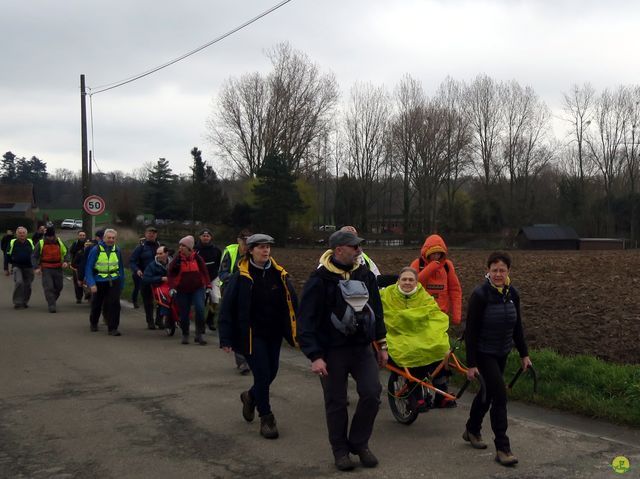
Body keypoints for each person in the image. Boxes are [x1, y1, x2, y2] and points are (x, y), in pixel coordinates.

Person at [297, 230, 388, 471]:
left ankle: (359, 443)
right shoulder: (319, 280)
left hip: (362, 348)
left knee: (372, 393)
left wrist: (382, 344)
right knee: (336, 402)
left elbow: (376, 310)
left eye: (359, 247)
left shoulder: (364, 274)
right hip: (332, 351)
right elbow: (306, 320)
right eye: (354, 247)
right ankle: (340, 451)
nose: (359, 251)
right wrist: (315, 356)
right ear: (339, 250)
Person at [218, 234, 298, 440]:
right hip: (252, 335)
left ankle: (250, 396)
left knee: (272, 372)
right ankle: (266, 418)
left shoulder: (279, 275)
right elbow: (227, 308)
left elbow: (292, 305)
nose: (265, 251)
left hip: (274, 332)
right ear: (251, 250)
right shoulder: (241, 277)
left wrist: (299, 329)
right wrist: (225, 337)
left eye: (268, 247)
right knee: (262, 374)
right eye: (261, 247)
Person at [463, 251, 532, 467]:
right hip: (484, 353)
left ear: (508, 271)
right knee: (500, 396)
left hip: (502, 351)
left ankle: (472, 429)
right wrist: (471, 364)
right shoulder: (480, 295)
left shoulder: (513, 294)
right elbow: (471, 332)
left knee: (488, 393)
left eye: (502, 270)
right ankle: (503, 448)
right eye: (494, 270)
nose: (498, 274)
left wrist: (524, 354)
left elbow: (517, 326)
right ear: (488, 271)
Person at [380, 267, 454, 410]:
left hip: (421, 332)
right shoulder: (386, 294)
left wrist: (410, 317)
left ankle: (441, 391)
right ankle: (416, 395)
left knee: (440, 346)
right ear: (398, 281)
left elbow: (433, 312)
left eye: (411, 280)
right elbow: (383, 314)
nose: (407, 283)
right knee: (411, 349)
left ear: (416, 282)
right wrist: (407, 317)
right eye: (404, 279)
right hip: (397, 333)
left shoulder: (423, 295)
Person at [218, 229, 252, 374]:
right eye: (244, 242)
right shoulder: (230, 252)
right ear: (238, 241)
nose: (246, 245)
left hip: (249, 291)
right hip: (230, 289)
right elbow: (222, 273)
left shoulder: (254, 252)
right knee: (237, 323)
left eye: (248, 242)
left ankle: (252, 356)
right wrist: (237, 279)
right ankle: (242, 361)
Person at [409, 234, 462, 325]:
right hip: (421, 314)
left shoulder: (447, 266)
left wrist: (456, 314)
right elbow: (411, 285)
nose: (436, 256)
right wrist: (430, 268)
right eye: (433, 253)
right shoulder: (417, 264)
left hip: (440, 314)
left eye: (439, 253)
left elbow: (455, 290)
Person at [167, 235, 210, 345]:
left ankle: (199, 334)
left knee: (200, 309)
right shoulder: (177, 260)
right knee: (184, 313)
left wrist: (208, 286)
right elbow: (170, 274)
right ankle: (185, 334)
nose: (180, 248)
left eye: (183, 246)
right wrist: (172, 288)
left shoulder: (198, 258)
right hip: (181, 290)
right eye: (180, 245)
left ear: (190, 248)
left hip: (197, 288)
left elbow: (205, 272)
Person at [84, 228, 125, 336]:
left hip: (114, 280)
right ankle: (93, 322)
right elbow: (88, 267)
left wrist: (122, 283)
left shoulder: (117, 250)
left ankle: (113, 328)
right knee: (97, 304)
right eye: (109, 238)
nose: (111, 240)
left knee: (115, 304)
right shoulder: (96, 249)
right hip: (99, 281)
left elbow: (120, 267)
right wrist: (91, 283)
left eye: (113, 238)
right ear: (104, 238)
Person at [130, 227, 161, 329]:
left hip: (159, 277)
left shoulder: (160, 246)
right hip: (145, 277)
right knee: (148, 301)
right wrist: (137, 270)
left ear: (156, 235)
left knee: (161, 300)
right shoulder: (141, 247)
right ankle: (150, 321)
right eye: (149, 232)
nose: (151, 234)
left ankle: (159, 320)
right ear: (145, 234)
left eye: (154, 233)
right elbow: (132, 261)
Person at [32, 227, 68, 313]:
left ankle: (51, 299)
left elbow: (66, 252)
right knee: (49, 287)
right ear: (45, 235)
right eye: (48, 236)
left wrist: (66, 261)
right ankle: (51, 305)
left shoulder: (59, 242)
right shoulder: (40, 243)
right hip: (46, 267)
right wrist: (36, 267)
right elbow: (34, 256)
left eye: (51, 236)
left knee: (59, 286)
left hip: (58, 267)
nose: (50, 238)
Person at [194, 228, 222, 330]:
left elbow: (219, 264)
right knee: (201, 303)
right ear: (200, 237)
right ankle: (200, 324)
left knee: (215, 299)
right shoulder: (194, 250)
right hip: (199, 279)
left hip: (213, 277)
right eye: (204, 236)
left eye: (208, 236)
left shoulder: (216, 250)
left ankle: (210, 319)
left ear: (211, 237)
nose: (206, 237)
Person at [143, 245, 172, 329]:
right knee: (149, 303)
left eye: (160, 253)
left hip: (168, 286)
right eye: (157, 253)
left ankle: (161, 320)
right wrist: (161, 278)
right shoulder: (152, 265)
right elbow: (146, 278)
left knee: (169, 300)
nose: (158, 255)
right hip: (154, 285)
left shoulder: (173, 263)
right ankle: (150, 322)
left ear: (166, 253)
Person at [7, 226, 35, 309]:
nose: (21, 234)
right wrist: (6, 268)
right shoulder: (13, 242)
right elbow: (7, 255)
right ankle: (17, 302)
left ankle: (24, 301)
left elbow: (35, 254)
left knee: (28, 285)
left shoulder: (30, 242)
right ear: (16, 234)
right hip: (17, 266)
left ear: (26, 234)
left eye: (23, 233)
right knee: (19, 282)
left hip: (29, 267)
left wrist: (38, 266)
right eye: (20, 233)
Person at [69, 230, 88, 303]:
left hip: (86, 266)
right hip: (76, 266)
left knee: (86, 282)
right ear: (78, 236)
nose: (82, 237)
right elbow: (70, 253)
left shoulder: (88, 244)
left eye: (83, 235)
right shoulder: (74, 244)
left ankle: (87, 294)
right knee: (77, 283)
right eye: (80, 235)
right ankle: (79, 297)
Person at [130, 237, 145, 309]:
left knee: (144, 287)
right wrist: (137, 269)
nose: (143, 242)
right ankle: (135, 301)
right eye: (142, 241)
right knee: (137, 287)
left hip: (146, 271)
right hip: (138, 271)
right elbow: (132, 260)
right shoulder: (138, 249)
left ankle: (145, 301)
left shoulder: (148, 249)